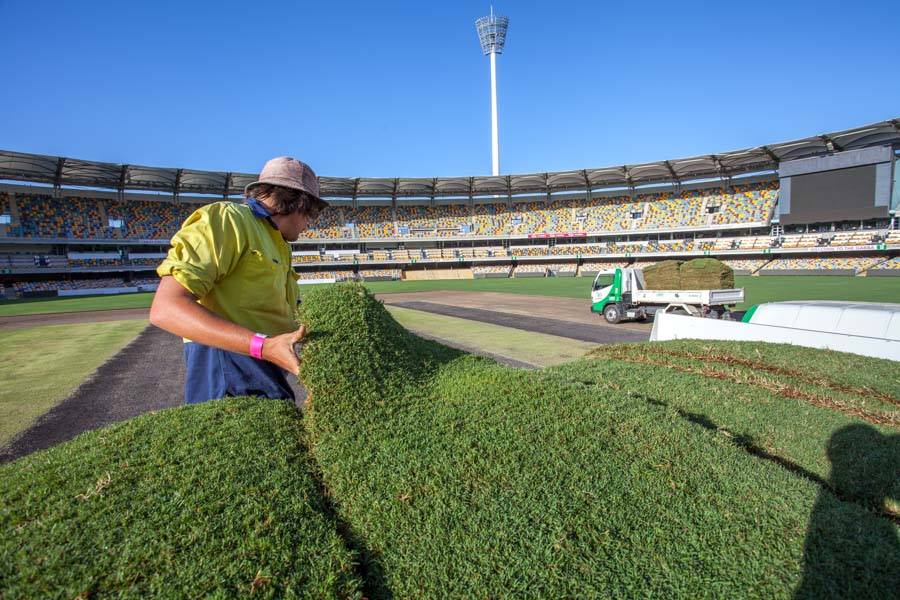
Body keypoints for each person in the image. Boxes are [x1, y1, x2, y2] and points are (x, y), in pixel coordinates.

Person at [150, 156, 328, 404]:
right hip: (225, 366)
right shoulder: (228, 219)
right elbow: (166, 308)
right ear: (300, 202)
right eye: (313, 213)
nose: (310, 223)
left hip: (267, 368)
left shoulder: (280, 245)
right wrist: (263, 347)